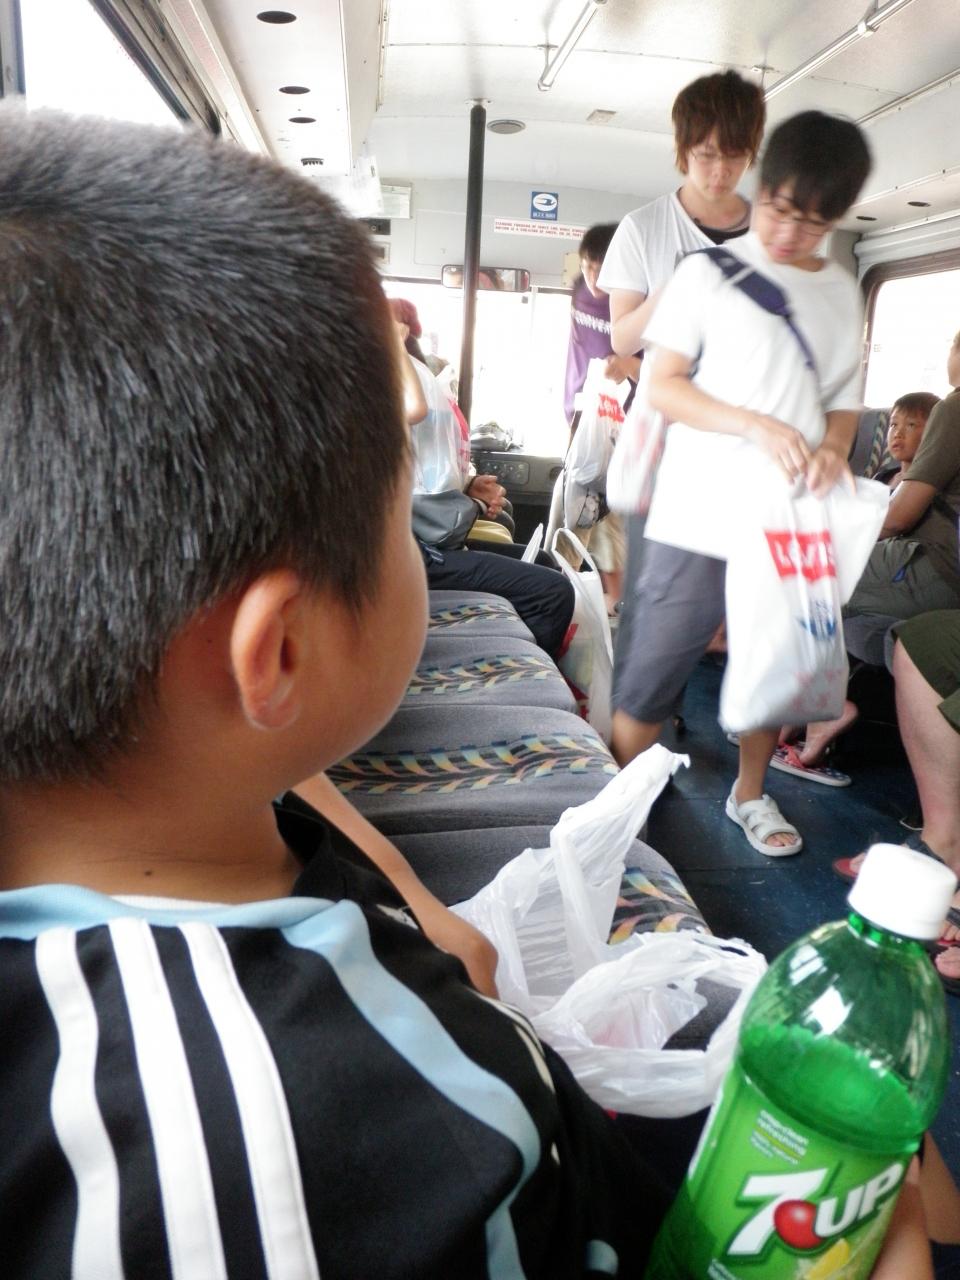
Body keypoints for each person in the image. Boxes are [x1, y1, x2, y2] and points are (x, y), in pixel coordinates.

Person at [0, 103, 935, 1280]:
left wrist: (412, 905)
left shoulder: (181, 813)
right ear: (276, 654)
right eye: (398, 512)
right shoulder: (374, 1130)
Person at [610, 111, 873, 859]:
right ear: (765, 188)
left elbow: (843, 399)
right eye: (780, 210)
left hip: (784, 515)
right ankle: (618, 813)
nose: (790, 233)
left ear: (836, 219)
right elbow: (663, 385)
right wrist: (753, 425)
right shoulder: (705, 275)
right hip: (695, 510)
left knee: (773, 662)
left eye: (813, 223)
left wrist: (835, 446)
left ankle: (749, 794)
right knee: (651, 676)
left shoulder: (841, 291)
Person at [597, 70, 765, 740]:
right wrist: (680, 286)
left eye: (734, 156)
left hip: (745, 442)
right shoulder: (645, 228)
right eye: (705, 155)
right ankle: (638, 734)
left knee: (746, 598)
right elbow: (622, 338)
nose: (719, 171)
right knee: (652, 600)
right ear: (682, 149)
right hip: (666, 443)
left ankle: (738, 739)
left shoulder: (770, 233)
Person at [798, 342, 960, 764]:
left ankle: (818, 713)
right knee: (854, 618)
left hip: (936, 565)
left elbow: (898, 519)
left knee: (804, 574)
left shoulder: (954, 408)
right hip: (945, 573)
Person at [393, 301, 576, 655]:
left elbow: (420, 474)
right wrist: (393, 349)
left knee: (542, 562)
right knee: (553, 592)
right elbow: (413, 410)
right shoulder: (364, 409)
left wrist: (466, 487)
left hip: (424, 543)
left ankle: (530, 659)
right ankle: (526, 670)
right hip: (411, 556)